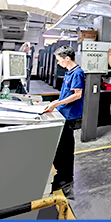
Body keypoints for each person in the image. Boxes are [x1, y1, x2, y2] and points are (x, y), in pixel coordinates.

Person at [43, 45, 85, 195]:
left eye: (59, 60)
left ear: (67, 58)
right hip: (62, 113)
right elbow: (66, 94)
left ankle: (66, 179)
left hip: (69, 116)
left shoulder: (78, 73)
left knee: (65, 150)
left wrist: (57, 104)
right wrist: (56, 103)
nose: (58, 63)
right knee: (60, 149)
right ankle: (60, 175)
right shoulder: (69, 72)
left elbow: (77, 95)